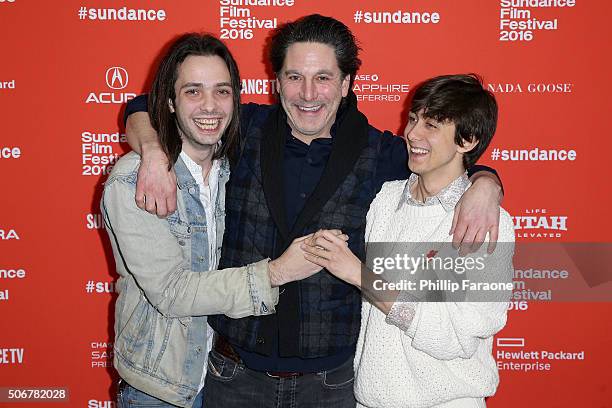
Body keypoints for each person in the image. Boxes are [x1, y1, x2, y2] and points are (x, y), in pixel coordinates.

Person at [124, 15, 504, 407]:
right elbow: (146, 106)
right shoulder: (242, 128)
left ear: (345, 84)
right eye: (294, 77)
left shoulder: (380, 153)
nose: (308, 94)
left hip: (331, 387)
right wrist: (153, 152)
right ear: (276, 83)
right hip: (233, 376)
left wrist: (485, 182)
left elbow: (443, 160)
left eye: (323, 78)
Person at [102, 33, 329, 408]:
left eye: (222, 92)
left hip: (226, 379)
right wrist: (275, 273)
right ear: (170, 102)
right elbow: (171, 293)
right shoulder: (135, 178)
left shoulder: (235, 165)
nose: (210, 106)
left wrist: (467, 183)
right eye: (193, 91)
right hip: (160, 390)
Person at [302, 74, 515, 408]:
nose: (412, 133)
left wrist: (361, 276)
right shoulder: (385, 199)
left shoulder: (487, 224)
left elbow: (454, 338)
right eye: (414, 119)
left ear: (468, 139)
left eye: (431, 125)